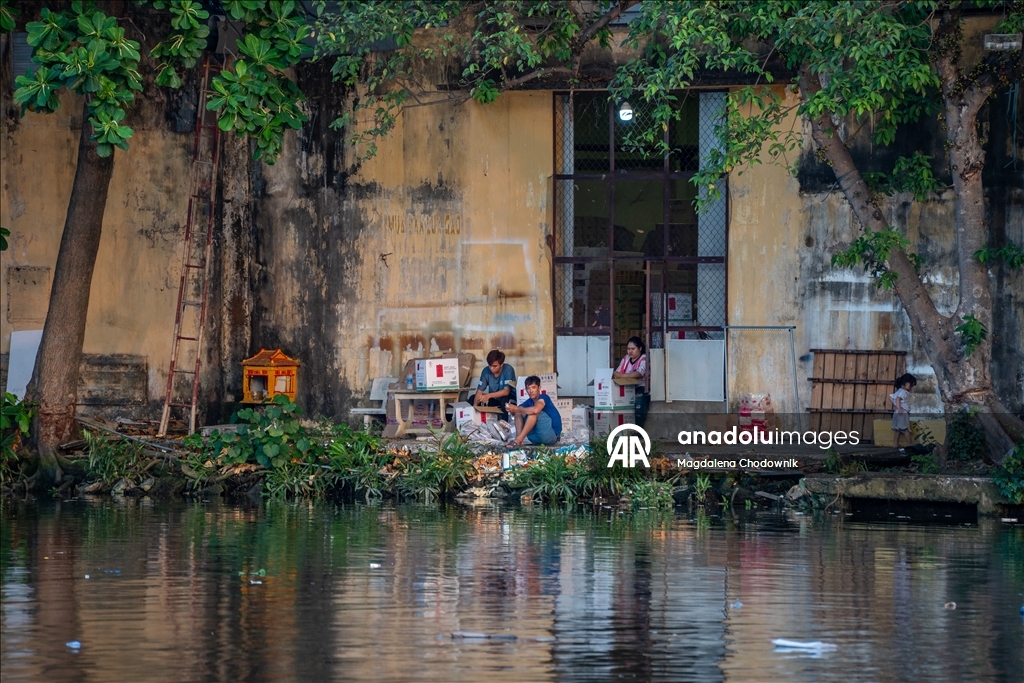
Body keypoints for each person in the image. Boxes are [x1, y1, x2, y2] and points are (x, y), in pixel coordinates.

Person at [507, 375, 562, 446]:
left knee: (533, 412)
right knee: (518, 412)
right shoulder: (529, 401)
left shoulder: (544, 397)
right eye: (528, 388)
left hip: (550, 436)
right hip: (535, 438)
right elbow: (516, 411)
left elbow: (536, 410)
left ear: (539, 388)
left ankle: (518, 440)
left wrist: (516, 408)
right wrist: (510, 409)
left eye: (533, 387)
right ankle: (519, 441)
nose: (531, 391)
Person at [613, 336, 649, 428]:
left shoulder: (644, 358)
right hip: (627, 386)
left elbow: (639, 373)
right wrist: (621, 375)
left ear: (640, 348)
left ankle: (638, 428)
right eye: (628, 349)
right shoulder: (626, 358)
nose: (630, 351)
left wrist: (622, 376)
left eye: (633, 349)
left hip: (640, 386)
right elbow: (616, 372)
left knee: (639, 402)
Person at [474, 349, 516, 420]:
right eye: (490, 366)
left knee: (504, 401)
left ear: (502, 364)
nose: (491, 368)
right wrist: (474, 408)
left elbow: (506, 391)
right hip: (495, 398)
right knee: (473, 398)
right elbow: (479, 392)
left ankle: (504, 425)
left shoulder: (508, 369)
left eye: (494, 366)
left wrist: (488, 395)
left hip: (509, 398)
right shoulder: (485, 371)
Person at [889, 373, 917, 452]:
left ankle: (895, 444)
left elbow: (891, 397)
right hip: (903, 413)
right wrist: (899, 408)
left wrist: (895, 406)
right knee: (906, 429)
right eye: (912, 386)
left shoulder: (899, 391)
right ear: (907, 384)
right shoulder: (903, 392)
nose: (912, 388)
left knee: (897, 429)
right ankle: (909, 443)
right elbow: (897, 399)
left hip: (897, 413)